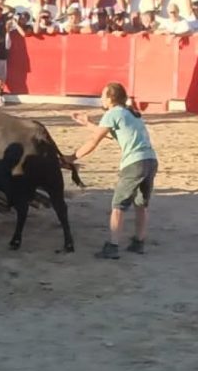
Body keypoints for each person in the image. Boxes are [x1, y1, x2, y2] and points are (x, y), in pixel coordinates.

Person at [67, 82, 158, 260]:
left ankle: (113, 246)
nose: (101, 98)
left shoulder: (112, 113)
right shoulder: (131, 113)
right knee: (141, 204)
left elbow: (95, 141)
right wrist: (88, 123)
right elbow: (112, 134)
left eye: (103, 95)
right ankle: (139, 242)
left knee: (118, 206)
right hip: (151, 160)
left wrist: (71, 158)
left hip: (134, 163)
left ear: (111, 98)